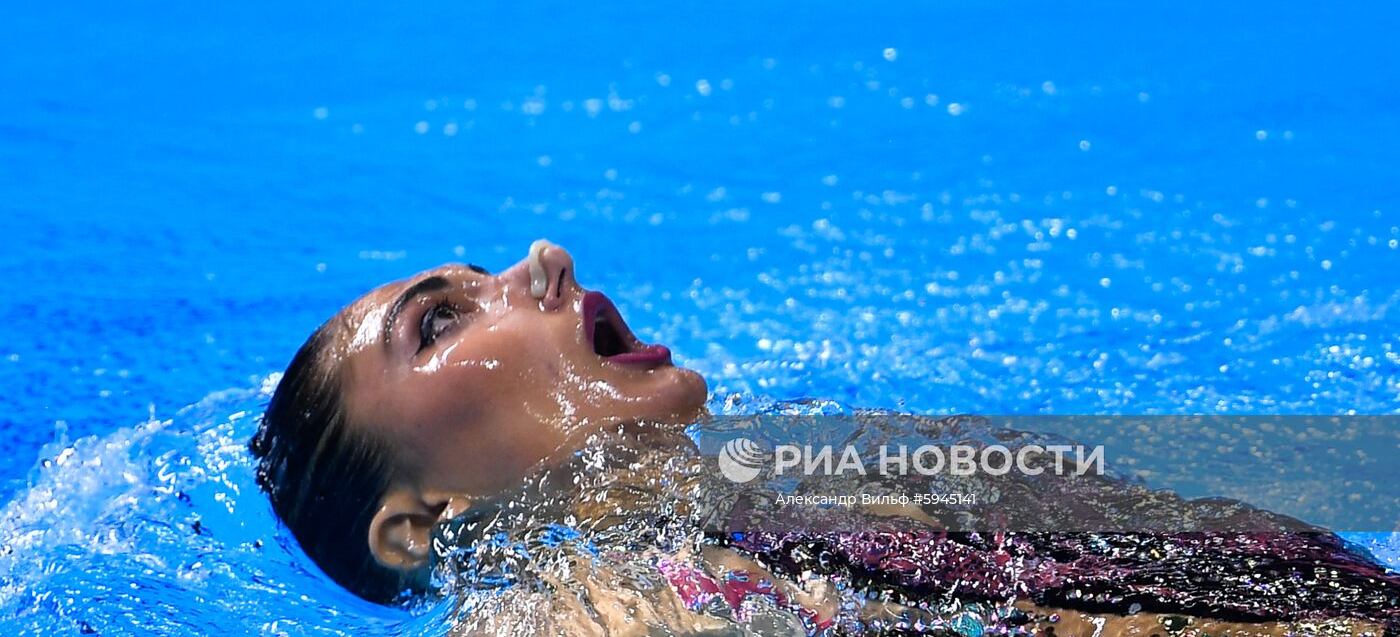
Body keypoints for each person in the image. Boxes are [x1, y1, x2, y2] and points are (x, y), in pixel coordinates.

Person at [250, 241, 1400, 635]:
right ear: (417, 522)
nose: (540, 262)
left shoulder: (809, 462)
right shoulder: (572, 614)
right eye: (440, 322)